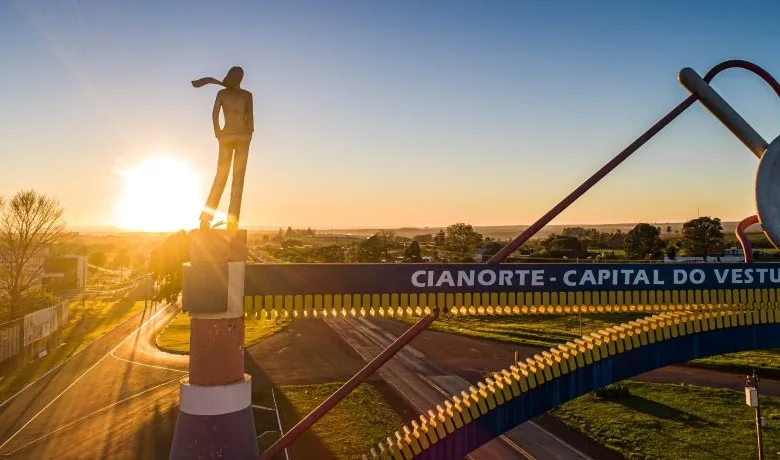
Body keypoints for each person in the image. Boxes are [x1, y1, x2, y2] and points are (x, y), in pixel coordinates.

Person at [192, 66, 254, 231]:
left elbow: (250, 116)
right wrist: (218, 132)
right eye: (235, 75)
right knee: (221, 177)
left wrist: (249, 134)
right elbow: (214, 114)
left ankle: (232, 220)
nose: (238, 78)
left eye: (240, 76)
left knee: (237, 180)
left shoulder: (247, 95)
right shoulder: (222, 94)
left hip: (242, 138)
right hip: (226, 137)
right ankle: (206, 217)